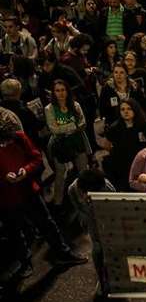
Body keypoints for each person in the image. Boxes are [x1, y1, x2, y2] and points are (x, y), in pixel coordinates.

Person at [0, 111, 87, 278]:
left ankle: (63, 254)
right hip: (6, 197)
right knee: (15, 232)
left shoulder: (18, 137)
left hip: (27, 190)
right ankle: (25, 263)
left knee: (47, 224)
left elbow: (37, 158)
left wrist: (25, 170)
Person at [45, 79, 92, 210]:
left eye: (63, 90)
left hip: (77, 141)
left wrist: (66, 128)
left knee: (83, 171)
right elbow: (54, 129)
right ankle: (58, 203)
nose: (61, 93)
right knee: (60, 173)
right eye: (57, 91)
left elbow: (83, 124)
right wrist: (72, 126)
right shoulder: (49, 109)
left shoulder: (75, 105)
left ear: (67, 91)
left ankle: (85, 198)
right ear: (53, 93)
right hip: (59, 144)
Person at [103, 98, 146, 192]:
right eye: (123, 109)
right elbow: (106, 145)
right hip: (121, 164)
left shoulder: (144, 125)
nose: (126, 112)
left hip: (141, 163)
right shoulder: (114, 128)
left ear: (135, 109)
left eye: (129, 109)